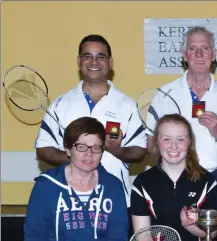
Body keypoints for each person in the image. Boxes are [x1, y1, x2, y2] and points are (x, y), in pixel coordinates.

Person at [34, 34, 147, 208]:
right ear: (79, 61)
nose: (94, 62)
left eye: (100, 57)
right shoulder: (60, 104)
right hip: (68, 202)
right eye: (88, 56)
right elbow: (43, 149)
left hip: (115, 201)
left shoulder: (127, 105)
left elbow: (140, 151)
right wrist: (75, 157)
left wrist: (117, 150)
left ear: (110, 62)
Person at [24, 117, 129, 241]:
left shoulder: (113, 186)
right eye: (81, 147)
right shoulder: (46, 185)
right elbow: (34, 233)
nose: (89, 154)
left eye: (96, 147)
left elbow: (118, 236)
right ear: (67, 149)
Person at [146, 26, 217, 184]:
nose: (199, 54)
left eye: (205, 48)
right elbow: (150, 144)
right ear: (184, 55)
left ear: (214, 55)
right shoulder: (164, 95)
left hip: (214, 178)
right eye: (193, 49)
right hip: (171, 177)